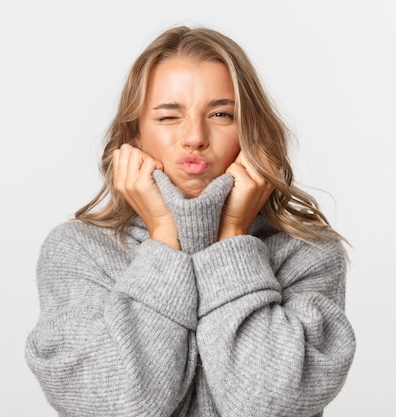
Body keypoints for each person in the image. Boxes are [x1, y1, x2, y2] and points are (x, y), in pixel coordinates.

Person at [25, 25, 355, 417]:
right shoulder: (79, 251)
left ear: (250, 129)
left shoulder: (307, 251)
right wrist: (165, 236)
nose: (195, 137)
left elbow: (269, 405)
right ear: (135, 134)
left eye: (221, 114)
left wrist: (231, 237)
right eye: (168, 117)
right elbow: (120, 407)